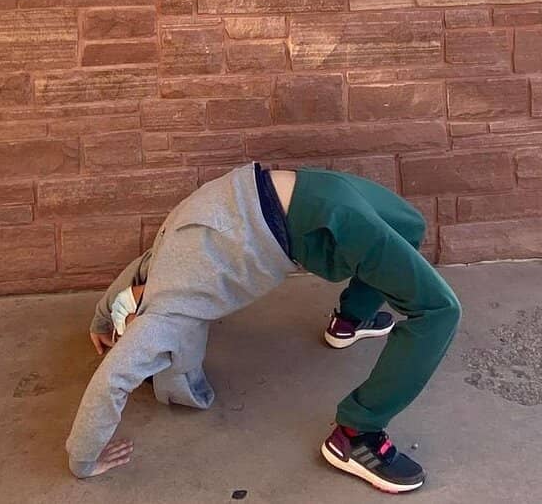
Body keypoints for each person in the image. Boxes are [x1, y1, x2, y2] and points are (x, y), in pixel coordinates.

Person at [65, 163, 461, 494]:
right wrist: (84, 457)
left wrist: (101, 319)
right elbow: (114, 369)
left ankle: (351, 332)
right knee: (437, 303)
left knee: (413, 240)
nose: (127, 301)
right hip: (311, 208)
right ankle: (355, 434)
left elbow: (118, 325)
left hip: (310, 191)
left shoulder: (156, 268)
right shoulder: (165, 306)